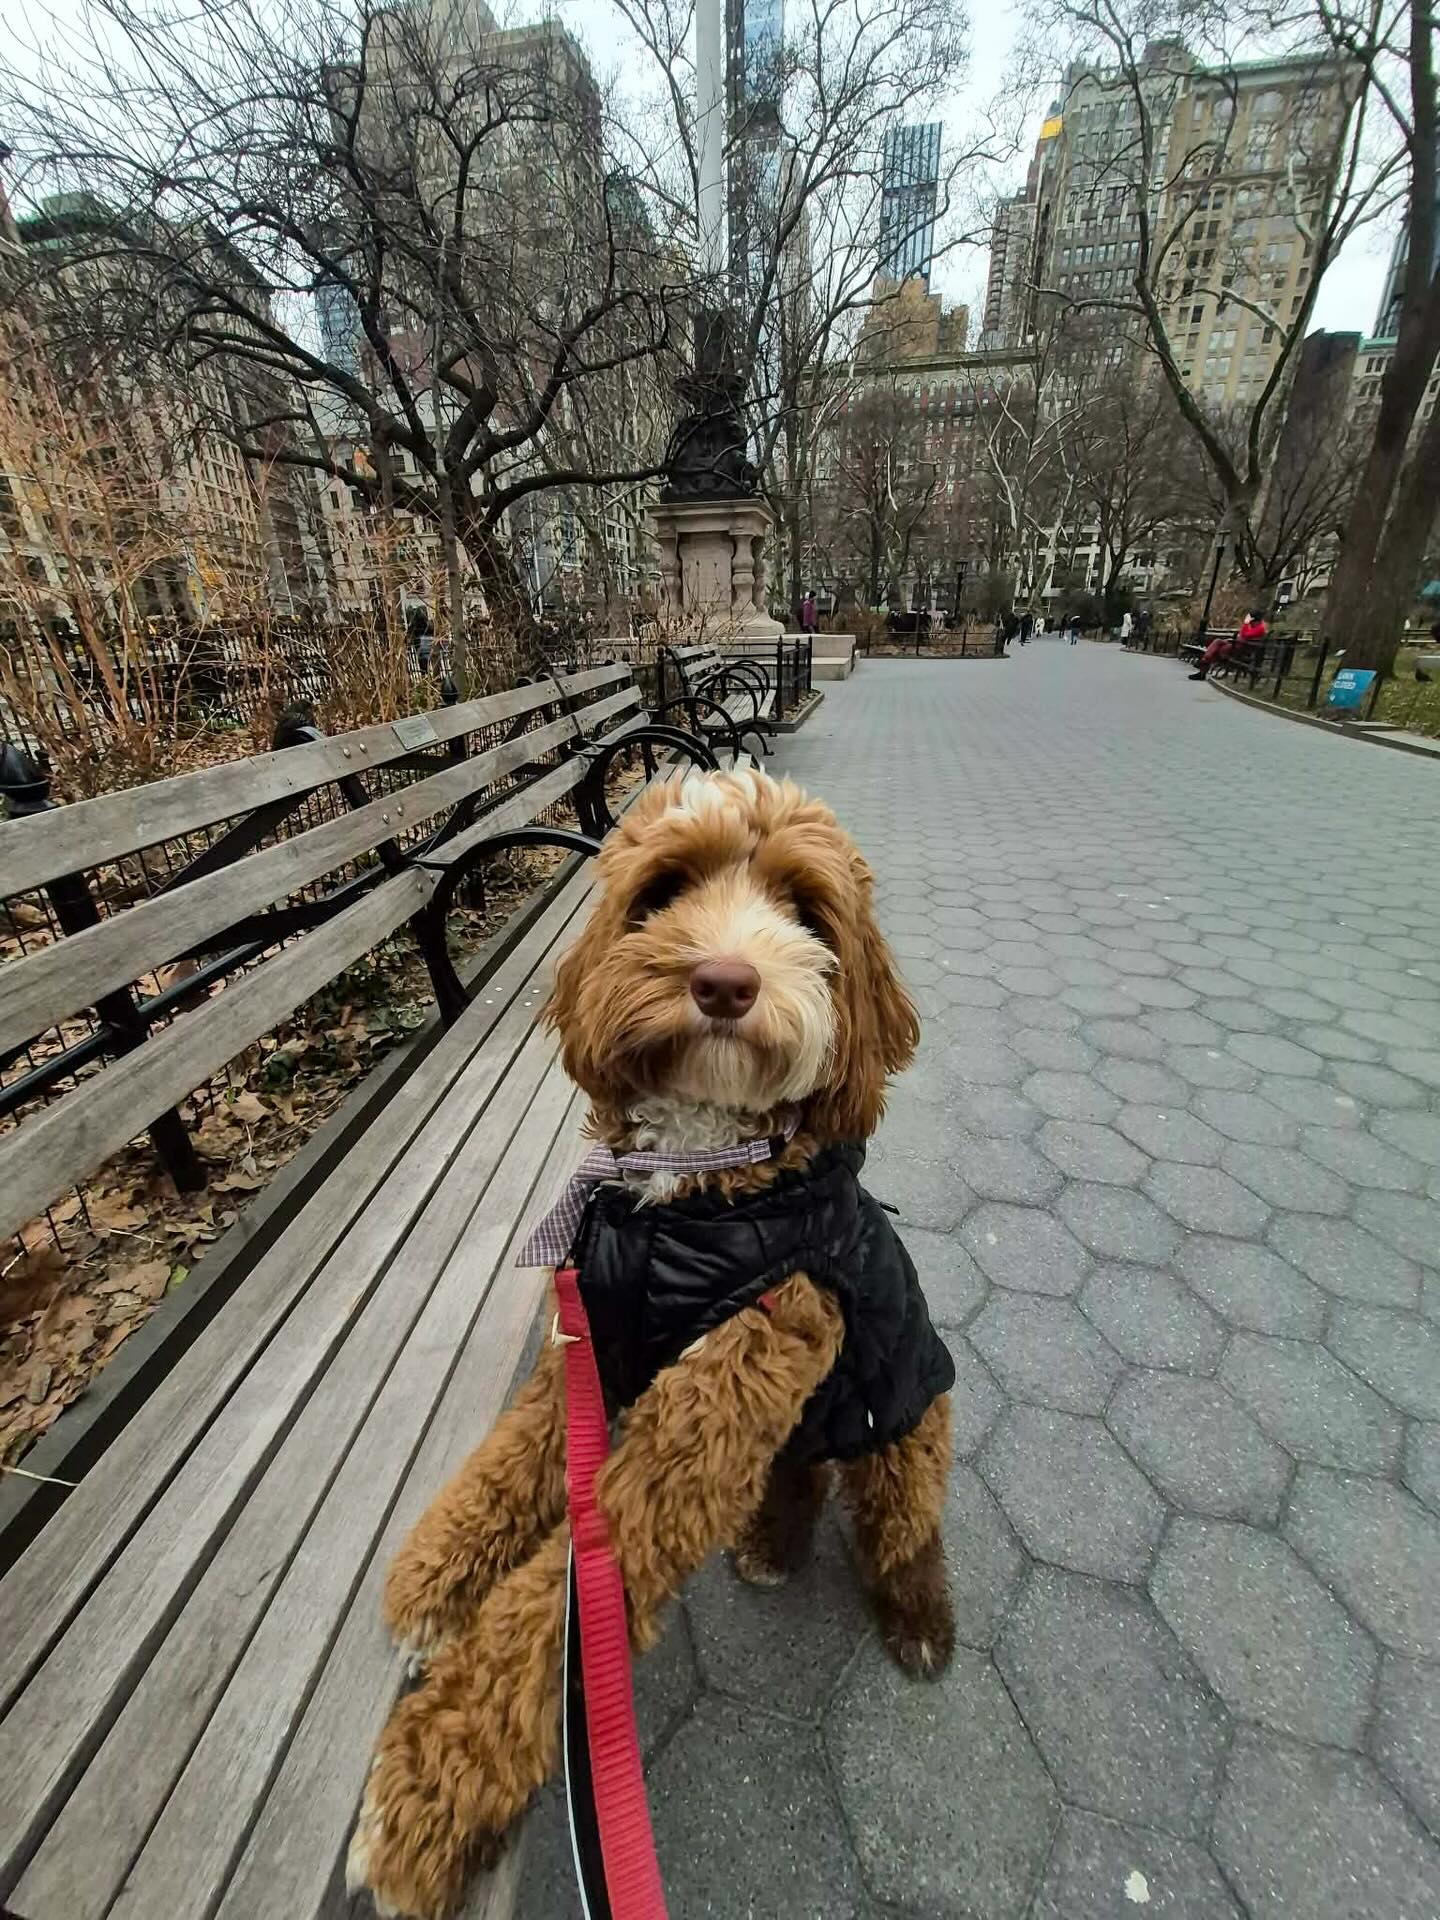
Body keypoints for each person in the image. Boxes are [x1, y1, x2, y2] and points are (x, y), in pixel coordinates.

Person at [1189, 608, 1266, 680]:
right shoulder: (1255, 626)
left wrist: (1245, 624)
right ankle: (1204, 661)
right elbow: (1243, 634)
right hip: (1237, 644)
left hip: (1240, 648)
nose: (1249, 622)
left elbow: (1245, 635)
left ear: (1254, 620)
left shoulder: (1260, 628)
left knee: (1215, 650)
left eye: (1250, 620)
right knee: (1217, 641)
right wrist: (1245, 625)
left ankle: (1203, 666)